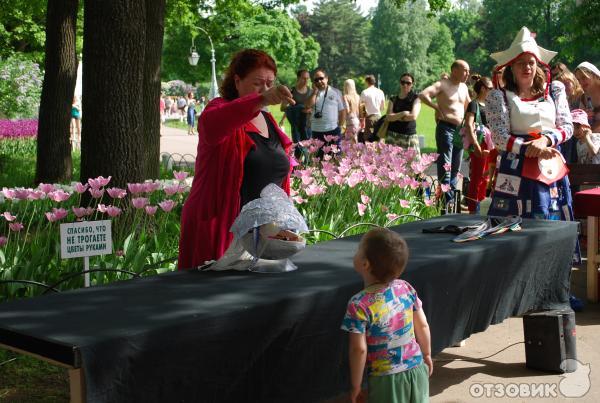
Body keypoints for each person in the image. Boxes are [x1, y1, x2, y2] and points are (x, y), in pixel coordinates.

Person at [178, 49, 295, 269]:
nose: (267, 89)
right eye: (258, 83)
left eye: (270, 83)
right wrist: (260, 99)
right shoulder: (218, 108)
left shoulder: (268, 119)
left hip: (260, 234)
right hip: (219, 225)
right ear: (237, 80)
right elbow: (213, 124)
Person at [486, 27, 575, 223]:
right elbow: (499, 137)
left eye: (531, 63)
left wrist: (545, 141)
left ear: (537, 65)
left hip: (550, 164)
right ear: (511, 66)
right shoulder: (499, 96)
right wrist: (529, 149)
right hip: (515, 169)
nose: (527, 68)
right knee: (513, 225)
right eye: (521, 63)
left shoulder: (554, 90)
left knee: (553, 220)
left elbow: (568, 126)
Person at [341, 228, 432, 403]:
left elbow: (358, 349)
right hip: (418, 368)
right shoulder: (406, 288)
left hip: (386, 379)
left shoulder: (358, 304)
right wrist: (426, 354)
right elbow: (423, 325)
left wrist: (356, 386)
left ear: (365, 264)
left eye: (358, 249)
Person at [419, 60, 471, 208]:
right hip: (446, 128)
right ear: (454, 70)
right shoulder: (442, 84)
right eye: (465, 70)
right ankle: (445, 202)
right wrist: (435, 106)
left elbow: (468, 106)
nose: (468, 73)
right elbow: (423, 95)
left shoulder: (464, 87)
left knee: (455, 167)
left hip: (459, 130)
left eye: (468, 70)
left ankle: (451, 200)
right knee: (445, 165)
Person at [464, 76, 494, 214]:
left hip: (489, 144)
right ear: (483, 88)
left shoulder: (488, 104)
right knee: (477, 176)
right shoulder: (474, 104)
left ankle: (481, 207)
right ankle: (472, 210)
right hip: (480, 141)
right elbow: (469, 124)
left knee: (486, 176)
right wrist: (476, 144)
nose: (492, 91)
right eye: (490, 88)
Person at [305, 68, 346, 148]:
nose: (319, 81)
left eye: (321, 78)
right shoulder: (311, 93)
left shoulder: (336, 92)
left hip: (332, 130)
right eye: (316, 80)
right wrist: (314, 93)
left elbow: (342, 111)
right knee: (317, 158)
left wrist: (340, 127)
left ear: (327, 78)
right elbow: (307, 106)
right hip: (316, 130)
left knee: (334, 157)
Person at [554, 67, 586, 163]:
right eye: (562, 84)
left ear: (573, 82)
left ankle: (568, 163)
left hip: (579, 129)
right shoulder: (561, 100)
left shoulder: (581, 96)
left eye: (567, 83)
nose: (564, 87)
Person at [385, 73, 421, 153]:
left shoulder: (416, 98)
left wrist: (395, 117)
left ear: (412, 84)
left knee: (412, 163)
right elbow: (388, 117)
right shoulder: (393, 99)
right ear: (399, 83)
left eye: (408, 83)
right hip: (392, 135)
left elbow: (413, 116)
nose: (405, 85)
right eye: (403, 82)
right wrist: (403, 113)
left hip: (409, 136)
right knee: (391, 164)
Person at [279, 69, 313, 155]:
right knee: (298, 148)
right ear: (298, 78)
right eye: (303, 78)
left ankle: (308, 166)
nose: (306, 81)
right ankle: (299, 166)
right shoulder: (291, 91)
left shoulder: (311, 92)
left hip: (308, 125)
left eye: (307, 79)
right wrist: (295, 107)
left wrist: (310, 110)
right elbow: (283, 108)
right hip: (296, 126)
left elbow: (315, 108)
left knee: (309, 149)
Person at [574, 62, 600, 131]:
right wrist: (584, 118)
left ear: (594, 75)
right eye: (578, 79)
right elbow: (580, 121)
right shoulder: (584, 98)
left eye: (584, 77)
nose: (581, 82)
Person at [359, 75, 385, 142]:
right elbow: (382, 107)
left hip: (369, 118)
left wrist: (362, 120)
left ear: (367, 82)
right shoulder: (380, 92)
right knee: (379, 139)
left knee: (368, 139)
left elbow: (362, 108)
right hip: (379, 117)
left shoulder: (364, 92)